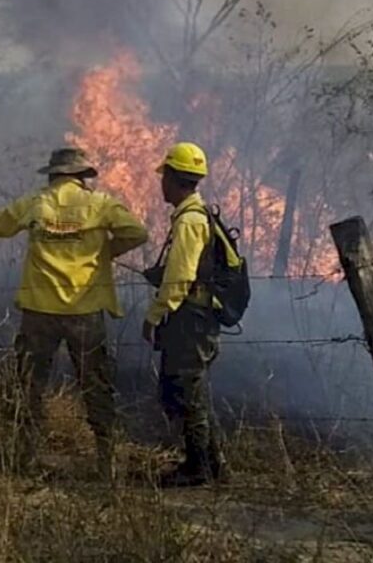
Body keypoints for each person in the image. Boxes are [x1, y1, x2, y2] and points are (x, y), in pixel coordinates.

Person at [0, 147, 148, 479]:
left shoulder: (35, 203)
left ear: (53, 175)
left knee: (30, 385)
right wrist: (104, 252)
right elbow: (138, 233)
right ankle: (107, 463)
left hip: (39, 311)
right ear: (82, 177)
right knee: (96, 385)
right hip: (85, 311)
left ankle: (25, 459)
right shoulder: (100, 204)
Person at [141, 142, 228, 486]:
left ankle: (198, 469)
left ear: (176, 179)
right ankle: (212, 463)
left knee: (186, 391)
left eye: (165, 177)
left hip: (190, 319)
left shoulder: (191, 220)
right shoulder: (194, 216)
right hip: (193, 316)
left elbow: (180, 278)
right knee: (194, 391)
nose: (161, 183)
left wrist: (154, 314)